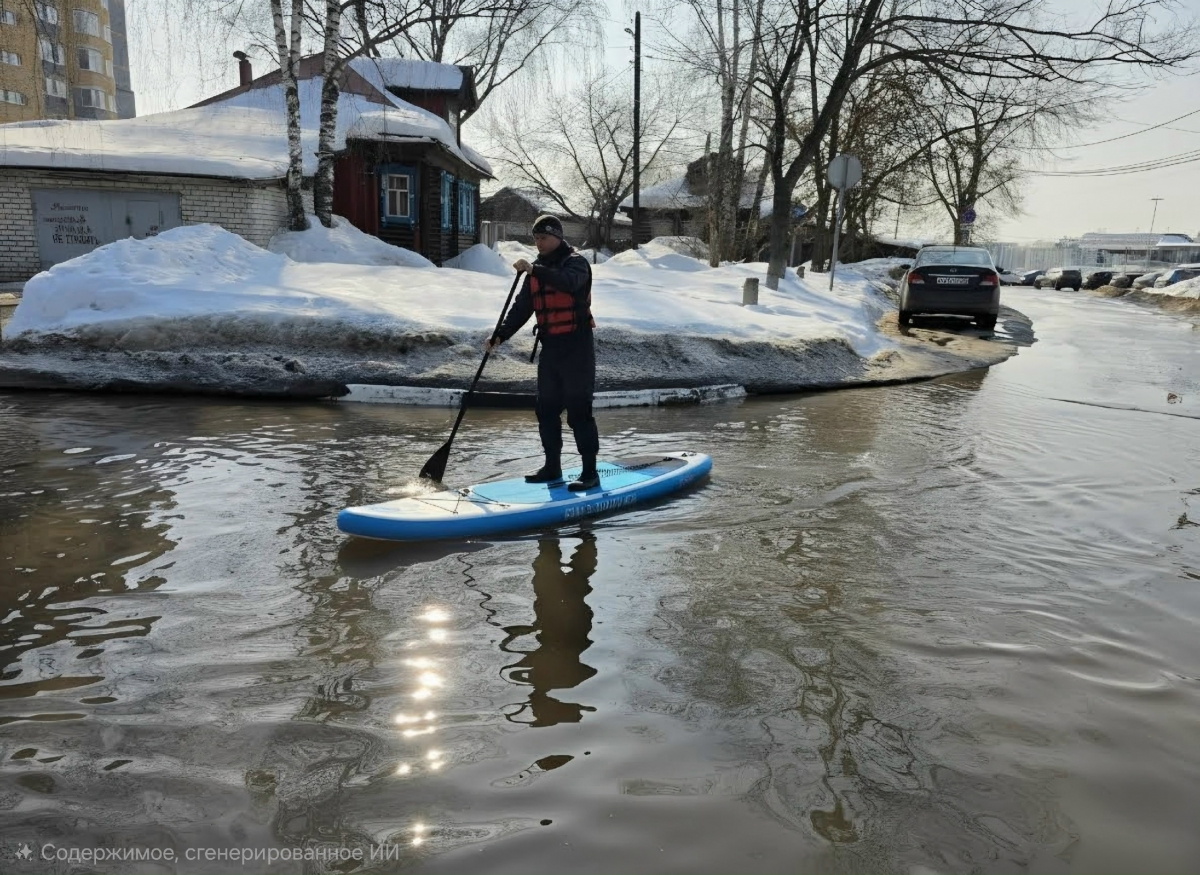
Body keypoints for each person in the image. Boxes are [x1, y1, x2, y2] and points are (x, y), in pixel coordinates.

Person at [487, 215, 600, 491]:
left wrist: (535, 271)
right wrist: (501, 334)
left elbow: (568, 283)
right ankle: (553, 467)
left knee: (578, 411)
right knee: (546, 410)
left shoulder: (576, 263)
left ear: (558, 237)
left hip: (577, 347)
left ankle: (589, 472)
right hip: (551, 349)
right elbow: (521, 308)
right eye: (536, 238)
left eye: (544, 237)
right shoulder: (535, 272)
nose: (539, 243)